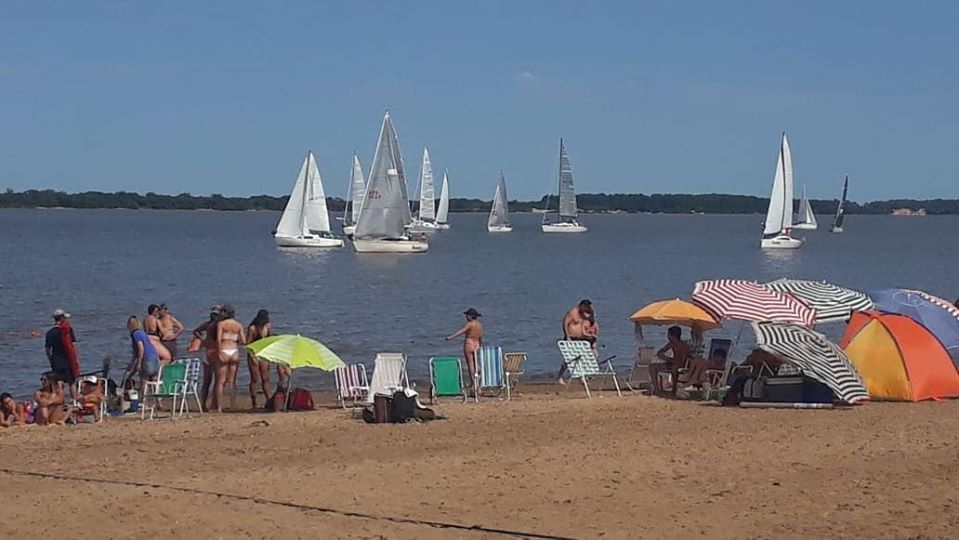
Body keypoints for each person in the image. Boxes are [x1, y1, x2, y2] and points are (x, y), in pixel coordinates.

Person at [214, 305, 246, 413]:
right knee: (232, 381)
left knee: (221, 381)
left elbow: (218, 339)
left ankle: (219, 407)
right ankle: (232, 405)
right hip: (234, 351)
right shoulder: (238, 325)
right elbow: (243, 341)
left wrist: (219, 352)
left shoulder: (221, 324)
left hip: (224, 349)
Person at [446, 308, 483, 396]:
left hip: (469, 344)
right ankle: (479, 379)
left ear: (470, 316)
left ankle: (473, 384)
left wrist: (450, 337)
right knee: (475, 363)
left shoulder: (470, 324)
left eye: (467, 315)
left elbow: (461, 331)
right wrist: (480, 345)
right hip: (476, 344)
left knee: (470, 364)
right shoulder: (479, 325)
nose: (466, 317)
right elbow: (481, 337)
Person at [557, 299, 597, 384]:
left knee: (583, 357)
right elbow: (565, 323)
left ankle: (582, 377)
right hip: (571, 337)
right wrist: (567, 336)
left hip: (582, 339)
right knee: (569, 358)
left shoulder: (586, 314)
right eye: (586, 307)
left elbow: (592, 322)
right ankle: (560, 376)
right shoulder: (573, 312)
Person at [44, 309, 80, 400]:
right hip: (68, 359)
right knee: (72, 382)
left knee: (59, 382)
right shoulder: (67, 330)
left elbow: (48, 349)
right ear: (62, 318)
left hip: (56, 360)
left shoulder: (50, 333)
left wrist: (50, 360)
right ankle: (75, 402)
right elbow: (73, 345)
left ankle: (61, 402)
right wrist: (76, 360)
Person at [650, 326, 693, 397]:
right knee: (652, 367)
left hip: (681, 365)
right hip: (672, 363)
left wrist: (667, 358)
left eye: (668, 335)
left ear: (672, 336)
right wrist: (661, 354)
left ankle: (674, 389)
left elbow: (682, 360)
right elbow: (661, 351)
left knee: (674, 368)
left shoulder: (683, 345)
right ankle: (656, 389)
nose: (667, 337)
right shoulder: (671, 344)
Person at [192, 305, 221, 411]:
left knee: (210, 380)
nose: (214, 316)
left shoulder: (210, 325)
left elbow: (196, 331)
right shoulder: (216, 325)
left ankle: (209, 404)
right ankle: (207, 404)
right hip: (213, 353)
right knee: (213, 380)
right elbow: (196, 331)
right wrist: (203, 340)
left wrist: (203, 341)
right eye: (213, 314)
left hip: (209, 352)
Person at [127, 316, 160, 401]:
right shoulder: (142, 333)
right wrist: (132, 365)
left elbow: (141, 348)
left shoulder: (136, 334)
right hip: (155, 358)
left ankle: (144, 401)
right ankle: (158, 401)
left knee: (144, 380)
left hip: (147, 359)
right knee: (154, 380)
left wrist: (138, 363)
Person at [246, 309, 273, 409]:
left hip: (263, 354)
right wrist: (252, 357)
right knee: (254, 379)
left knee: (265, 379)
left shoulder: (267, 327)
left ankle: (269, 400)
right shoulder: (252, 328)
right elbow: (248, 344)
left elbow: (269, 341)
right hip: (254, 353)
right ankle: (254, 402)